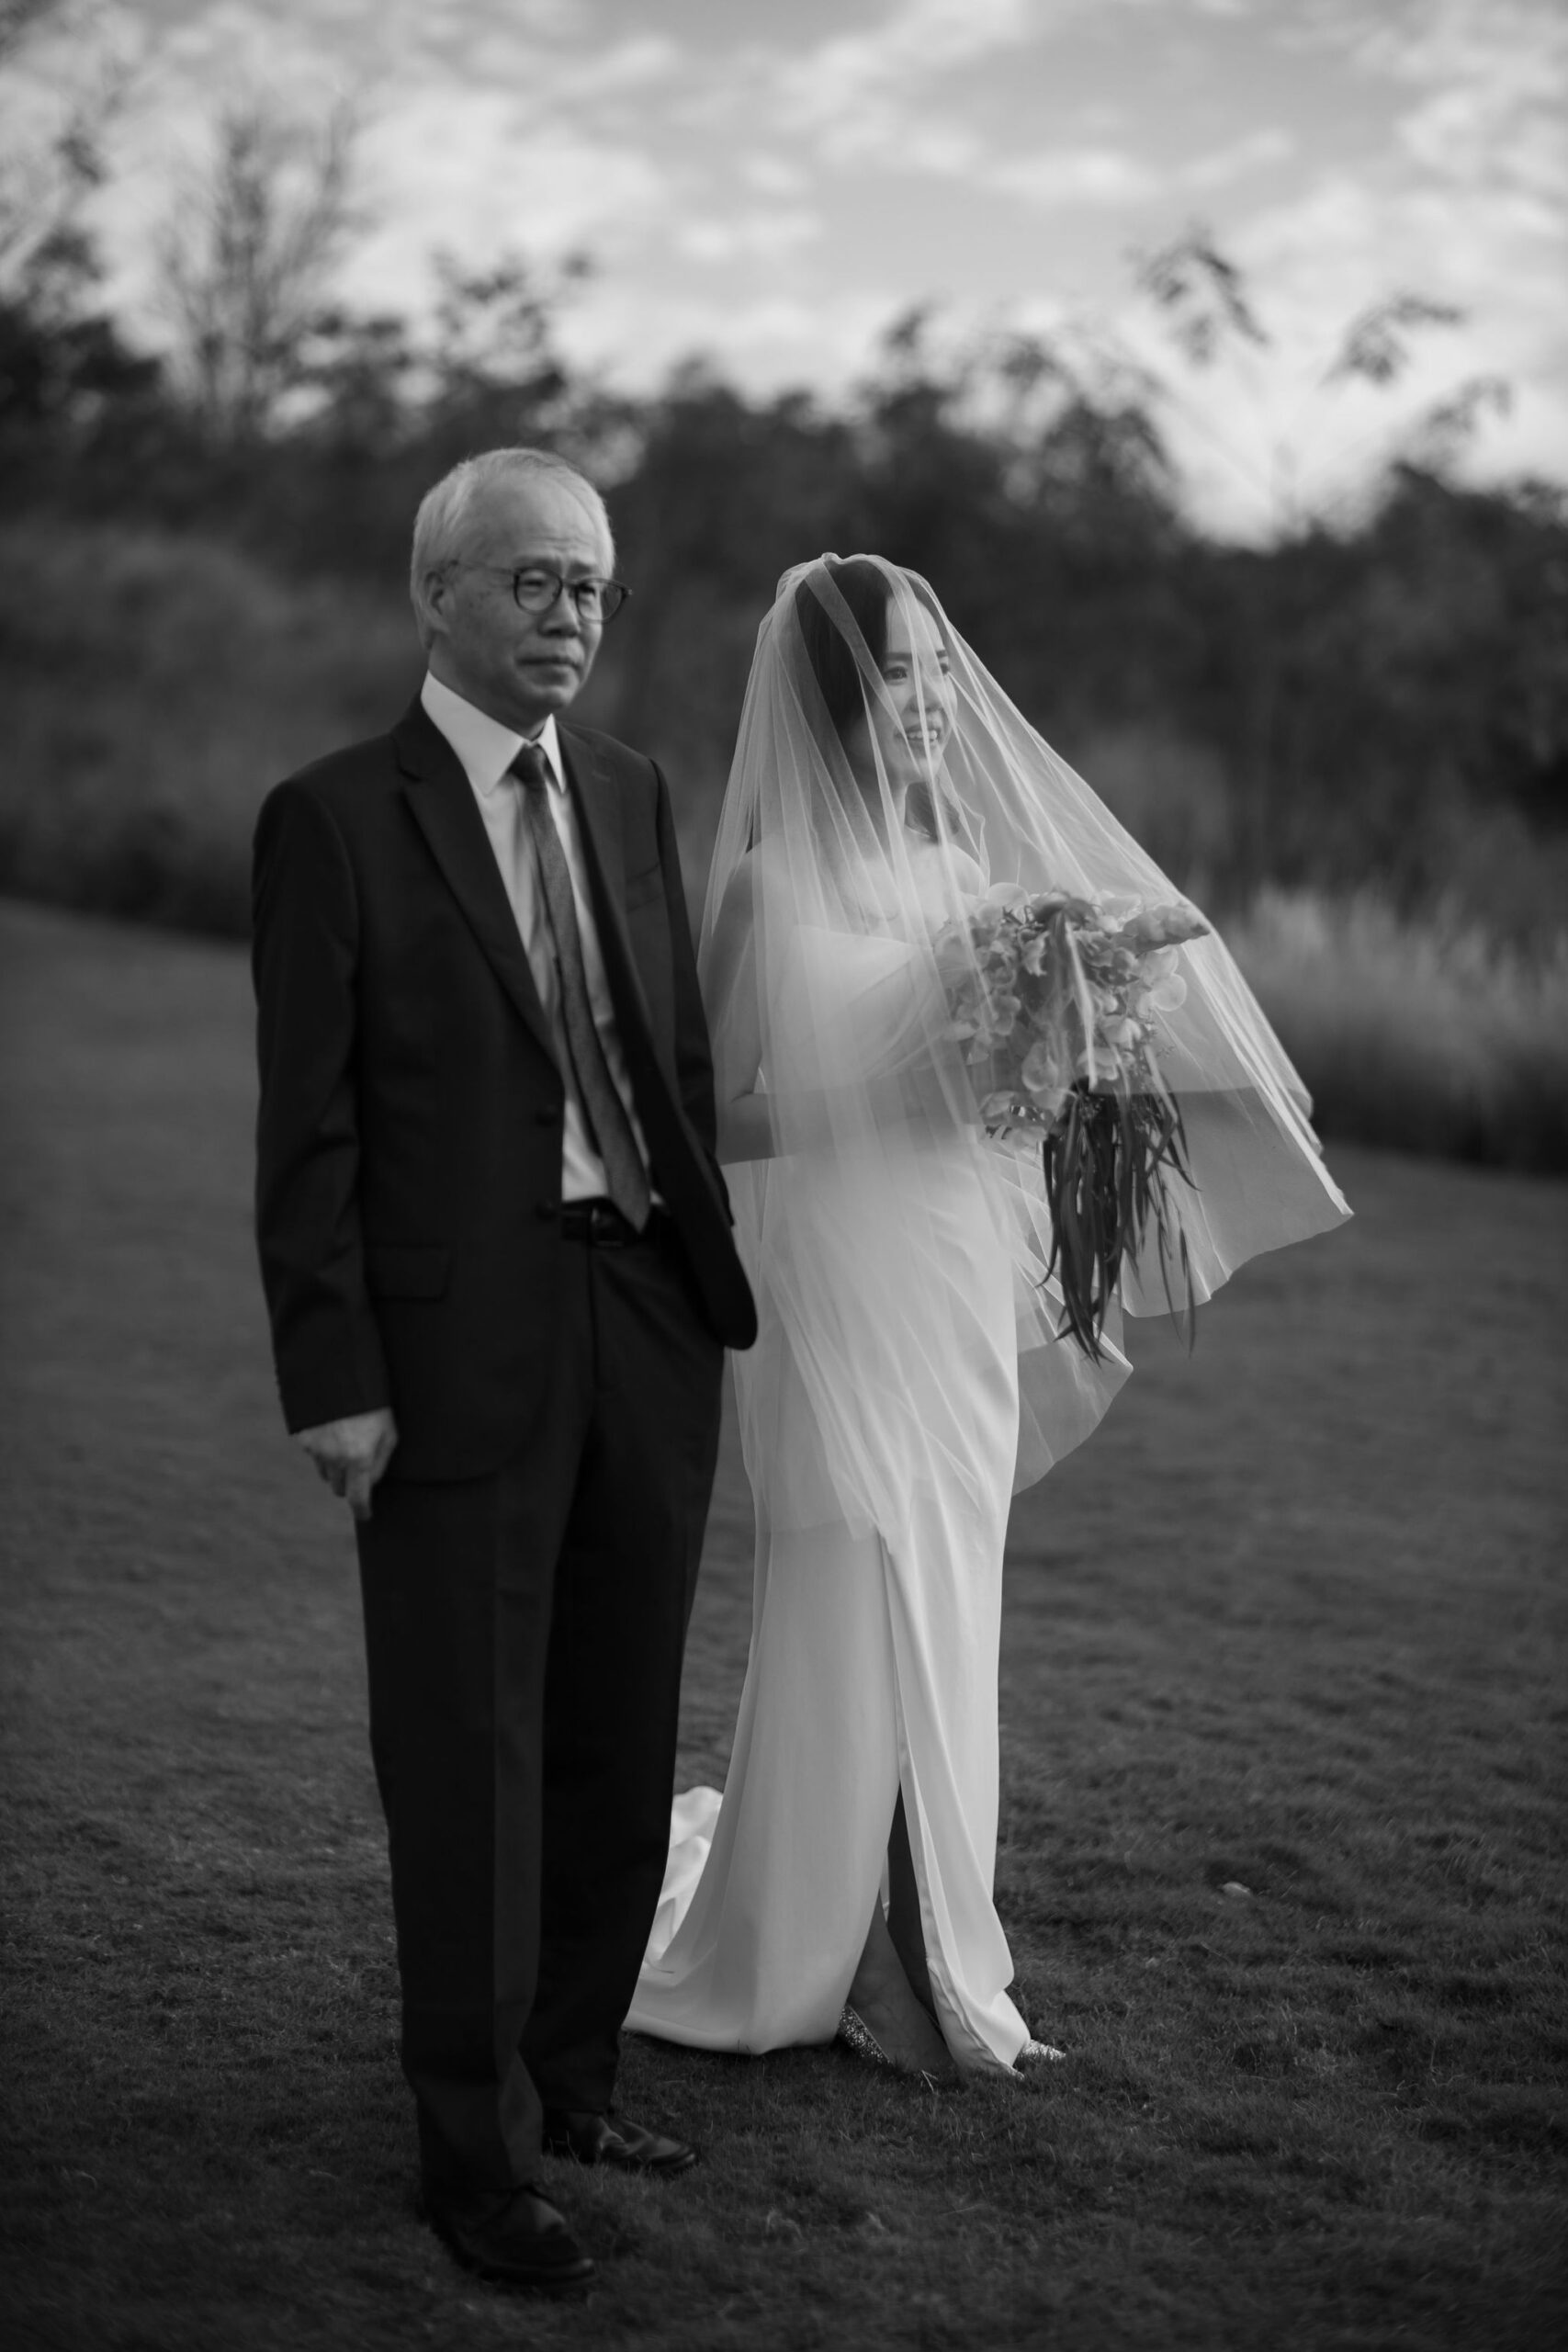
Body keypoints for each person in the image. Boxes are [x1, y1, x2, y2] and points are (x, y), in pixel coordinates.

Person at [626, 555, 1349, 2076]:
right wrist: (880, 1099)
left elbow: (1003, 1096)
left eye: (940, 673)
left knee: (946, 1578)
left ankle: (932, 1937)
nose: (933, 704)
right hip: (835, 1274)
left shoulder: (968, 881)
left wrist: (1048, 1058)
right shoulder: (767, 886)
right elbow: (707, 1116)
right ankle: (820, 1941)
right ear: (834, 701)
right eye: (899, 676)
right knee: (848, 1562)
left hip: (949, 1263)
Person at [250, 447, 756, 2295]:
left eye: (592, 586)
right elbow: (306, 1129)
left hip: (645, 1320)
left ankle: (576, 2078)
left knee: (618, 1730)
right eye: (534, 580)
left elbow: (668, 1063)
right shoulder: (332, 819)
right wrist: (334, 1373)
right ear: (437, 593)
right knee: (470, 1749)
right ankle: (473, 2159)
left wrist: (699, 1280)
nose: (569, 615)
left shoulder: (629, 787)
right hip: (456, 1345)